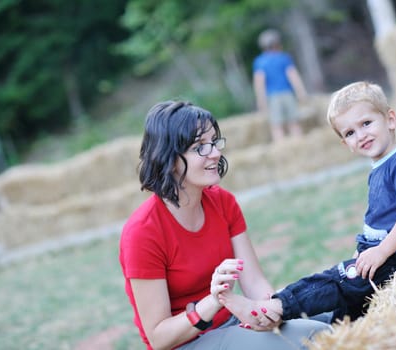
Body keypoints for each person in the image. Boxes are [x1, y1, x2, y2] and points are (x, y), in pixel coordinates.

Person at [220, 81, 396, 325]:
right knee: (350, 304)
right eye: (350, 133)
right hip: (384, 255)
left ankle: (277, 306)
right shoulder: (381, 165)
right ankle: (336, 333)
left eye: (366, 123)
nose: (361, 135)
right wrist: (367, 249)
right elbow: (382, 216)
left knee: (335, 281)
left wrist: (381, 251)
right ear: (346, 145)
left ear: (390, 120)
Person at [119, 100, 329, 350]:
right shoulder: (143, 232)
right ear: (170, 158)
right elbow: (159, 337)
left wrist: (267, 309)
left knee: (329, 317)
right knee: (314, 337)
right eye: (200, 147)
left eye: (214, 142)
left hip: (231, 323)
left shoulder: (223, 202)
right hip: (187, 342)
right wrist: (215, 300)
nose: (215, 153)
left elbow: (254, 282)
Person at [253, 28, 308, 142]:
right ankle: (299, 145)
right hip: (287, 94)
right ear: (277, 44)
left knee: (276, 126)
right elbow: (293, 76)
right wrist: (301, 92)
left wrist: (261, 101)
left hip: (272, 97)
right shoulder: (284, 58)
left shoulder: (260, 62)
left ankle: (282, 147)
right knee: (294, 123)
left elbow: (259, 83)